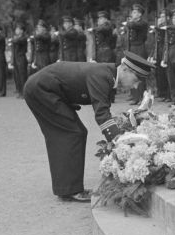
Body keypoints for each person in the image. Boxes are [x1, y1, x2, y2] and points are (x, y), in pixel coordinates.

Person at [23, 51, 155, 202]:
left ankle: (66, 188)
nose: (136, 85)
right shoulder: (103, 76)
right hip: (41, 91)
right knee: (72, 133)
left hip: (47, 91)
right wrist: (119, 140)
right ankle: (70, 190)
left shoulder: (108, 75)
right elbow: (102, 113)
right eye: (137, 79)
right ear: (125, 69)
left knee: (71, 133)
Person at [149, 9, 170, 101]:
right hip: (158, 51)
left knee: (166, 74)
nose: (161, 18)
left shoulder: (168, 26)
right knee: (159, 74)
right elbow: (155, 42)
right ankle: (162, 93)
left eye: (163, 17)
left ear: (167, 17)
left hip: (165, 51)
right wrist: (152, 54)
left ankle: (168, 95)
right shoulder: (159, 26)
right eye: (160, 17)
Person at [11, 24, 29, 97]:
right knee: (17, 75)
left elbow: (15, 41)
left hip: (21, 57)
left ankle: (24, 92)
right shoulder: (17, 38)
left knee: (22, 75)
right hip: (16, 57)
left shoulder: (23, 38)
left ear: (22, 31)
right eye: (16, 29)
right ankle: (19, 91)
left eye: (18, 29)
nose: (16, 31)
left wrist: (13, 39)